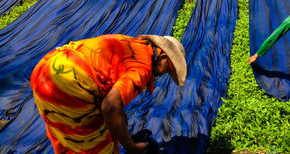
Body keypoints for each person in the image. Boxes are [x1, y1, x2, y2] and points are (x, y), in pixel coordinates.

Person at [31, 34, 187, 154]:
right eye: (171, 69)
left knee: (66, 141)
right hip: (69, 83)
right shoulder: (143, 68)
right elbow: (110, 106)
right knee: (101, 145)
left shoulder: (130, 44)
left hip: (45, 71)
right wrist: (130, 146)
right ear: (163, 57)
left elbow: (113, 104)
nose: (166, 73)